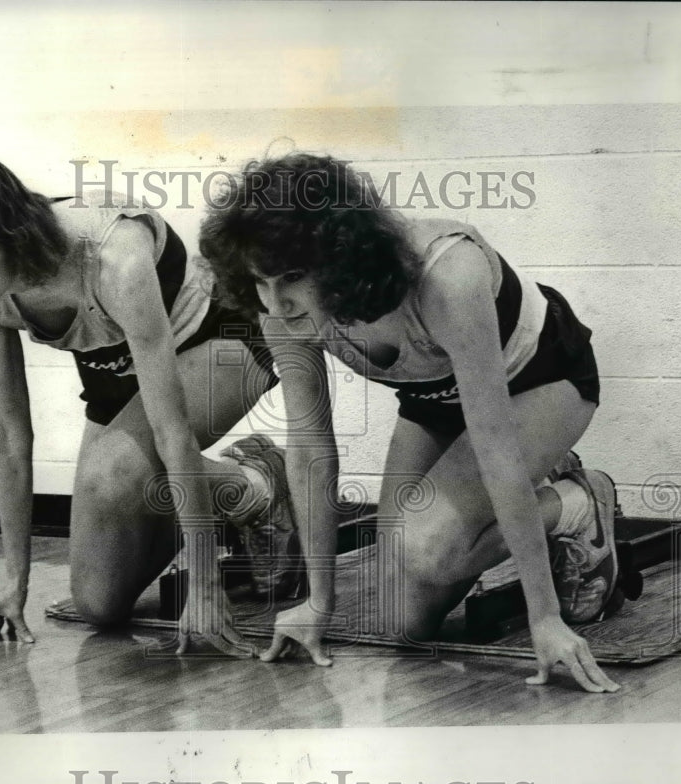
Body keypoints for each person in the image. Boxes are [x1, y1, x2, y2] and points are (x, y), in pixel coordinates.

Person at [199, 152, 627, 692]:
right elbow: (310, 449)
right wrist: (318, 602)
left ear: (342, 255)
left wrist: (545, 619)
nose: (276, 302)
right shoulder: (279, 310)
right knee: (403, 620)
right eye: (260, 281)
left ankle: (577, 507)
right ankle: (499, 513)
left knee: (424, 546)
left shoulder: (447, 274)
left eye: (292, 277)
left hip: (541, 379)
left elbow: (495, 446)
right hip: (436, 400)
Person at [0, 155, 293, 656]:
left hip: (220, 340)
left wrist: (205, 588)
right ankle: (218, 502)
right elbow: (8, 433)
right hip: (118, 371)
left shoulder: (113, 255)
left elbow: (173, 432)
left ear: (15, 240)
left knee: (113, 473)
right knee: (98, 604)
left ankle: (258, 485)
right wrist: (13, 582)